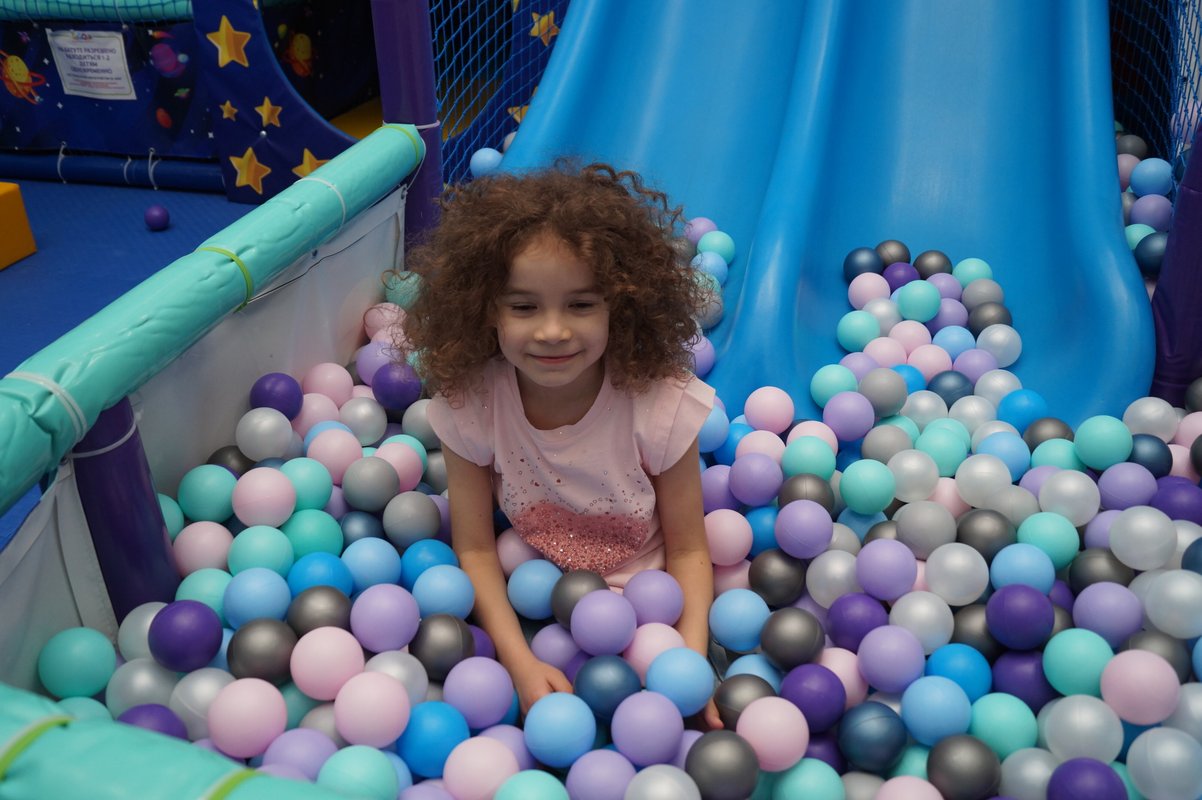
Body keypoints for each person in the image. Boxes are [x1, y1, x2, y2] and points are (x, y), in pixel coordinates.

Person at [396, 161, 721, 727]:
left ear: (619, 305)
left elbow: (690, 548)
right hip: (533, 598)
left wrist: (690, 661)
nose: (552, 331)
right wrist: (519, 663)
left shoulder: (657, 404)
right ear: (487, 309)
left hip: (652, 606)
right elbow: (475, 550)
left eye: (581, 304)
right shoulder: (474, 403)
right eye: (524, 307)